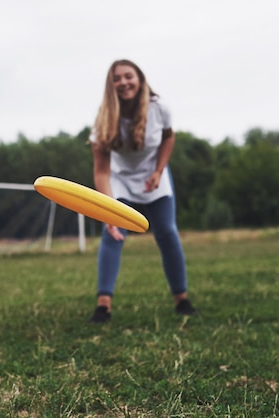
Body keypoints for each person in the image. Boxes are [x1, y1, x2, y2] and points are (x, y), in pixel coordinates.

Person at [88, 59, 196, 323]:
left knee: (167, 232)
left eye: (128, 76)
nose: (123, 82)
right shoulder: (103, 117)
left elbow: (169, 137)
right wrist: (108, 212)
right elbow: (101, 171)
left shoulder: (159, 109)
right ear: (110, 85)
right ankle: (104, 306)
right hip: (119, 179)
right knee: (112, 234)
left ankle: (181, 299)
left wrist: (159, 170)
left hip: (153, 176)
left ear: (140, 79)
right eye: (117, 78)